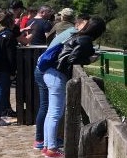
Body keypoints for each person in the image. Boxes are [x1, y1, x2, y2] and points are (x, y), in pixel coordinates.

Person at [42, 16, 106, 158]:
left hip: (51, 73)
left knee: (51, 112)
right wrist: (89, 60)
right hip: (57, 75)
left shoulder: (77, 35)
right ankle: (51, 149)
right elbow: (72, 59)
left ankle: (47, 146)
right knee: (55, 113)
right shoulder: (85, 40)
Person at [33, 14, 89, 150]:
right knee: (51, 110)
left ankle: (45, 142)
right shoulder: (73, 34)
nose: (87, 28)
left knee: (48, 109)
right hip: (50, 70)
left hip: (43, 67)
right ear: (78, 24)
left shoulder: (66, 31)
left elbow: (49, 38)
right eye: (85, 25)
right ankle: (47, 145)